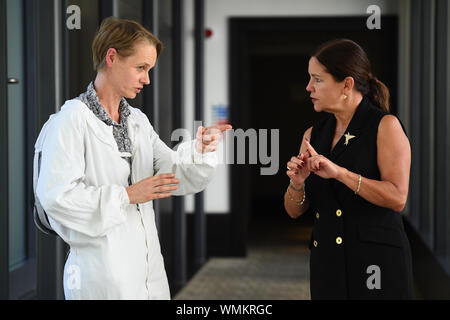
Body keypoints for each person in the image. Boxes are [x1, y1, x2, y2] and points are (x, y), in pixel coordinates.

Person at [36, 17, 232, 300]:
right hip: (100, 277)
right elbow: (56, 198)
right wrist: (126, 196)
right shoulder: (69, 122)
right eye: (141, 68)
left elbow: (173, 174)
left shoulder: (137, 121)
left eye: (149, 69)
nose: (147, 79)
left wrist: (201, 149)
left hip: (149, 274)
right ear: (112, 57)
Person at [284, 39, 413, 299]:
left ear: (347, 84)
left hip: (376, 264)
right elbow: (294, 211)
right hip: (327, 264)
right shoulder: (313, 134)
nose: (309, 87)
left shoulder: (385, 125)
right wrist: (297, 183)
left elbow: (397, 198)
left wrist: (340, 173)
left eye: (317, 80)